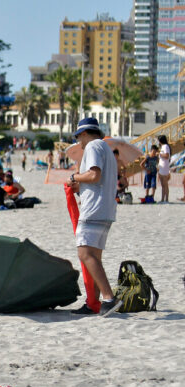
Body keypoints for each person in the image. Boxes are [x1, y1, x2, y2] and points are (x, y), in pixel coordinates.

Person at [66, 117, 123, 317]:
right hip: (106, 209)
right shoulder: (106, 147)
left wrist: (74, 177)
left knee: (85, 254)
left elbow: (94, 175)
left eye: (78, 138)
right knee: (95, 258)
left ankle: (108, 298)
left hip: (94, 210)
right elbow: (98, 181)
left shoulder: (92, 147)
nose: (79, 143)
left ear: (83, 133)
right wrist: (80, 188)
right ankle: (94, 303)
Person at [157, 135, 171, 203]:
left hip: (165, 166)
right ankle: (162, 199)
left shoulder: (166, 146)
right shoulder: (163, 146)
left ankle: (166, 199)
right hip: (161, 166)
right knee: (162, 184)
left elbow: (167, 155)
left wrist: (159, 154)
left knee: (165, 184)